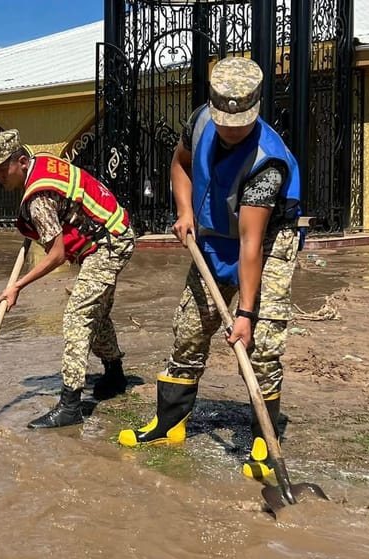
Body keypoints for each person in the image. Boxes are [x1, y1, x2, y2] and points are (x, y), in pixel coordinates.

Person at [118, 57, 302, 481]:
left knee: (263, 342)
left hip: (269, 240)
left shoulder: (266, 162)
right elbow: (181, 163)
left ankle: (263, 439)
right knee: (189, 328)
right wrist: (184, 211)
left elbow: (252, 244)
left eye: (240, 122)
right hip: (213, 234)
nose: (230, 128)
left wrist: (246, 314)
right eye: (224, 120)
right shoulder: (199, 121)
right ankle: (170, 422)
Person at [0, 129, 136, 429]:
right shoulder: (42, 163)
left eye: (3, 169)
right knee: (96, 313)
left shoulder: (38, 198)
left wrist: (17, 287)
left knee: (77, 316)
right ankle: (115, 374)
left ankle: (70, 405)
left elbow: (56, 255)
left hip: (109, 244)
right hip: (114, 230)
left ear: (21, 161)